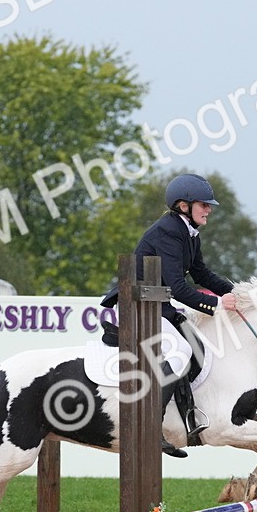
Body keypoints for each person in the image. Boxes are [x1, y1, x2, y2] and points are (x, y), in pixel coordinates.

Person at [100, 173, 238, 458]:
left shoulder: (188, 233)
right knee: (180, 352)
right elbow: (178, 287)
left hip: (158, 306)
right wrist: (217, 305)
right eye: (204, 204)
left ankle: (186, 417)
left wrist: (240, 293)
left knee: (199, 348)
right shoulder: (169, 231)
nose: (209, 209)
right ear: (183, 205)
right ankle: (153, 427)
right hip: (139, 307)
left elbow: (202, 275)